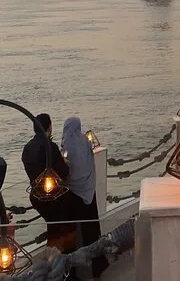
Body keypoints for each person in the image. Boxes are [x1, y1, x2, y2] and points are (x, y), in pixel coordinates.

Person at [21, 114, 77, 254]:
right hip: (55, 197)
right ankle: (67, 259)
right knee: (66, 226)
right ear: (49, 127)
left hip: (36, 196)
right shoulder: (50, 147)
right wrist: (65, 162)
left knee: (53, 225)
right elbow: (63, 172)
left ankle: (53, 256)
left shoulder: (27, 148)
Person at [61, 116, 109, 279]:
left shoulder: (67, 144)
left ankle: (73, 269)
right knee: (92, 231)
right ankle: (98, 266)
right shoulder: (86, 142)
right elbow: (89, 164)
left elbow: (66, 167)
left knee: (73, 234)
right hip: (89, 191)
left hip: (74, 194)